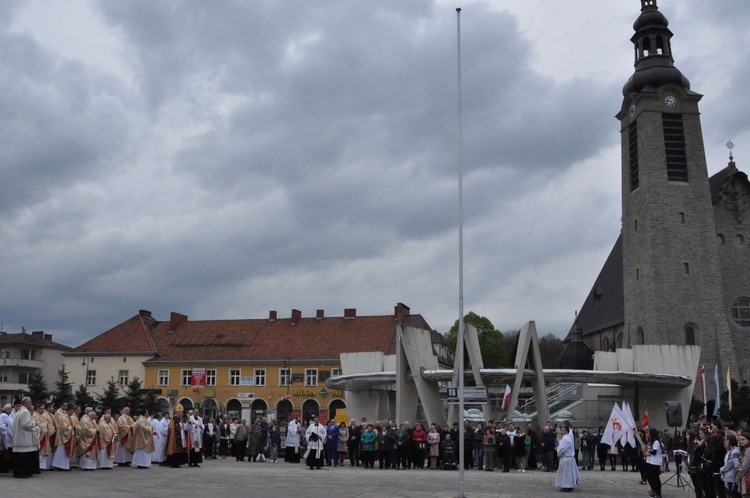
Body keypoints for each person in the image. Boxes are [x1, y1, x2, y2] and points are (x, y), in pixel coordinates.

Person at [10, 397, 36, 478]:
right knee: (24, 457)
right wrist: (33, 423)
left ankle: (18, 472)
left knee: (19, 457)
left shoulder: (19, 411)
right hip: (24, 438)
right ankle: (23, 473)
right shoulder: (25, 411)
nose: (31, 404)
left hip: (19, 438)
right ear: (27, 403)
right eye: (30, 402)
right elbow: (26, 424)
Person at [555, 425, 580, 492]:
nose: (562, 431)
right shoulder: (567, 438)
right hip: (568, 458)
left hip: (566, 458)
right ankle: (566, 485)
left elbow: (562, 448)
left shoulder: (566, 438)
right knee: (567, 472)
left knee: (567, 473)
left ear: (566, 431)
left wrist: (557, 449)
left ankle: (567, 486)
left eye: (563, 430)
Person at [51, 402, 73, 471]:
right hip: (63, 437)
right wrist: (71, 427)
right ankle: (60, 465)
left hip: (67, 436)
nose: (72, 413)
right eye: (71, 411)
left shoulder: (68, 417)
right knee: (61, 451)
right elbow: (64, 428)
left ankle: (63, 465)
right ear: (67, 411)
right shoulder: (63, 417)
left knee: (63, 452)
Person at [643, 427, 663, 498]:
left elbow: (654, 452)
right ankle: (653, 490)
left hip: (655, 462)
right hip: (650, 461)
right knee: (649, 476)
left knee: (655, 478)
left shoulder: (656, 442)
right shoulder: (651, 441)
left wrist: (648, 452)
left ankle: (658, 493)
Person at [721, 433, 740, 497]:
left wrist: (721, 470)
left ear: (729, 441)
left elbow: (730, 464)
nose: (724, 442)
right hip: (727, 478)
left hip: (732, 478)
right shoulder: (729, 451)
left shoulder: (735, 452)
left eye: (725, 440)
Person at [735, 432, 750, 498]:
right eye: (740, 440)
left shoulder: (748, 450)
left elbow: (745, 466)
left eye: (743, 439)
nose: (741, 441)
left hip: (747, 478)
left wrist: (738, 476)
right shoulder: (744, 450)